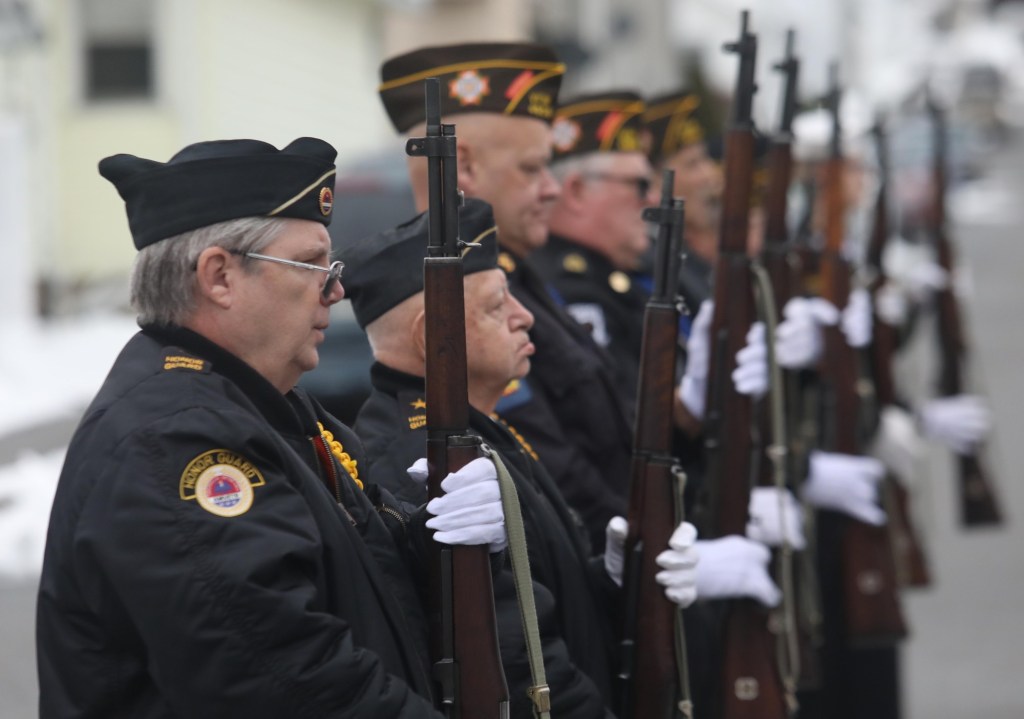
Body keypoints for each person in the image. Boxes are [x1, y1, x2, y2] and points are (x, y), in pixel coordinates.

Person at [36, 137, 509, 718]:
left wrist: (439, 542)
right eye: (311, 265)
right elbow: (288, 680)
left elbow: (359, 576)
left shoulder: (266, 405)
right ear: (219, 277)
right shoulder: (178, 436)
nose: (336, 290)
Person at [378, 41, 635, 553]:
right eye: (532, 168)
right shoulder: (453, 297)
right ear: (464, 168)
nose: (552, 189)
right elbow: (552, 467)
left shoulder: (525, 278)